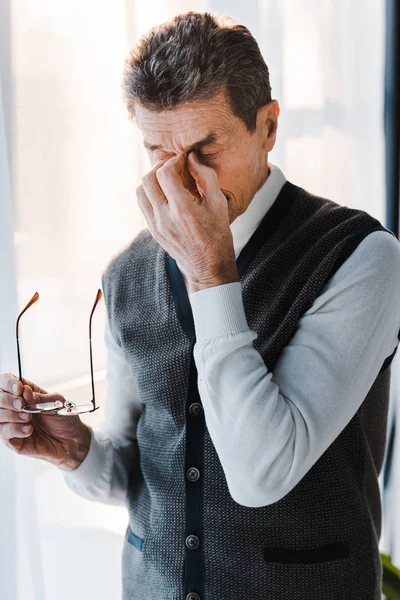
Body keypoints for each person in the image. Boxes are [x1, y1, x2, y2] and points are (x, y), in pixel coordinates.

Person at [2, 11, 400, 600]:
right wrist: (75, 451)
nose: (179, 181)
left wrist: (209, 269)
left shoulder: (361, 258)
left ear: (267, 127)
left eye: (204, 149)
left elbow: (263, 473)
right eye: (157, 150)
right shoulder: (127, 271)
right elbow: (138, 469)